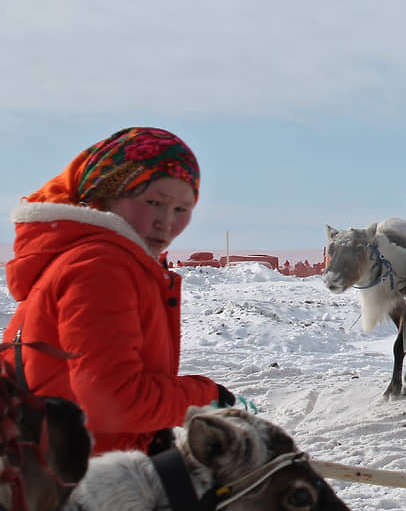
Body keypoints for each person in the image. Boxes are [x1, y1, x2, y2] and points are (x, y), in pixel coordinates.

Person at [1, 127, 235, 456]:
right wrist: (204, 397)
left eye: (182, 210)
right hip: (77, 474)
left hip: (70, 455)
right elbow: (113, 400)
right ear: (106, 194)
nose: (166, 222)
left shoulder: (99, 257)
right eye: (153, 202)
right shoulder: (100, 265)